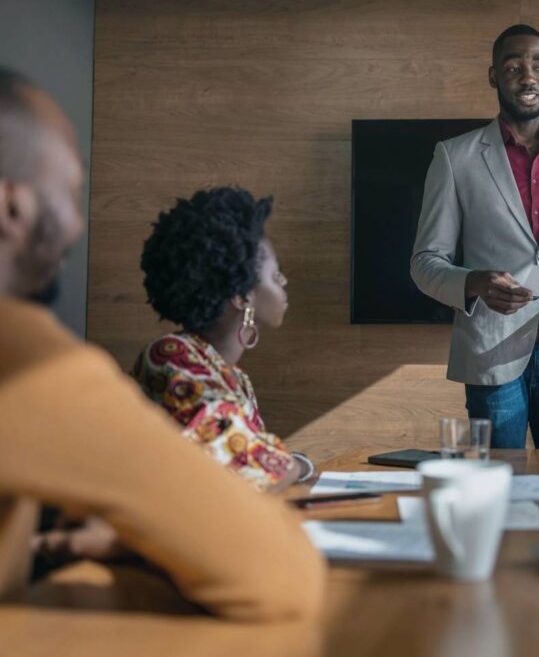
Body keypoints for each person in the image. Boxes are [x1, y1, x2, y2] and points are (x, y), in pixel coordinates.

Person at [0, 67, 324, 620]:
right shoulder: (28, 364)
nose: (78, 224)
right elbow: (283, 574)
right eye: (71, 190)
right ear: (13, 208)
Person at [411, 24, 539, 449]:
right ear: (493, 77)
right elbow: (426, 261)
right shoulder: (453, 157)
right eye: (514, 66)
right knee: (500, 491)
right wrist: (474, 283)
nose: (528, 77)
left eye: (538, 65)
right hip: (492, 354)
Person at [132, 187, 312, 491]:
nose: (284, 282)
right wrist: (301, 464)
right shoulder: (170, 356)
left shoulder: (234, 376)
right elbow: (250, 467)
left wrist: (287, 462)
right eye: (274, 274)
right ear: (242, 296)